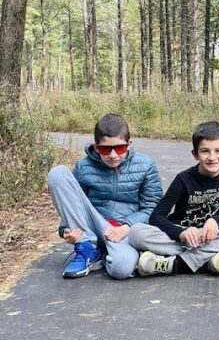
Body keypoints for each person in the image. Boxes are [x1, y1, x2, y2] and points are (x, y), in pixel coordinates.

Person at [129, 121, 219, 276]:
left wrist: (216, 221)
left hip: (210, 235)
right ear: (195, 154)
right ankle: (206, 260)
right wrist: (180, 234)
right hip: (182, 236)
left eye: (218, 151)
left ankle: (175, 264)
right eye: (205, 151)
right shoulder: (183, 179)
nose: (212, 157)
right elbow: (156, 217)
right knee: (136, 232)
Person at [47, 113, 162, 279]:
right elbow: (71, 203)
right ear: (96, 147)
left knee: (121, 269)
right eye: (106, 149)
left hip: (122, 232)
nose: (113, 155)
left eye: (119, 148)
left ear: (129, 144)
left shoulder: (146, 165)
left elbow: (154, 207)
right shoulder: (83, 167)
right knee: (58, 173)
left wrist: (127, 227)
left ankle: (102, 254)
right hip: (92, 225)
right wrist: (65, 229)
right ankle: (87, 248)